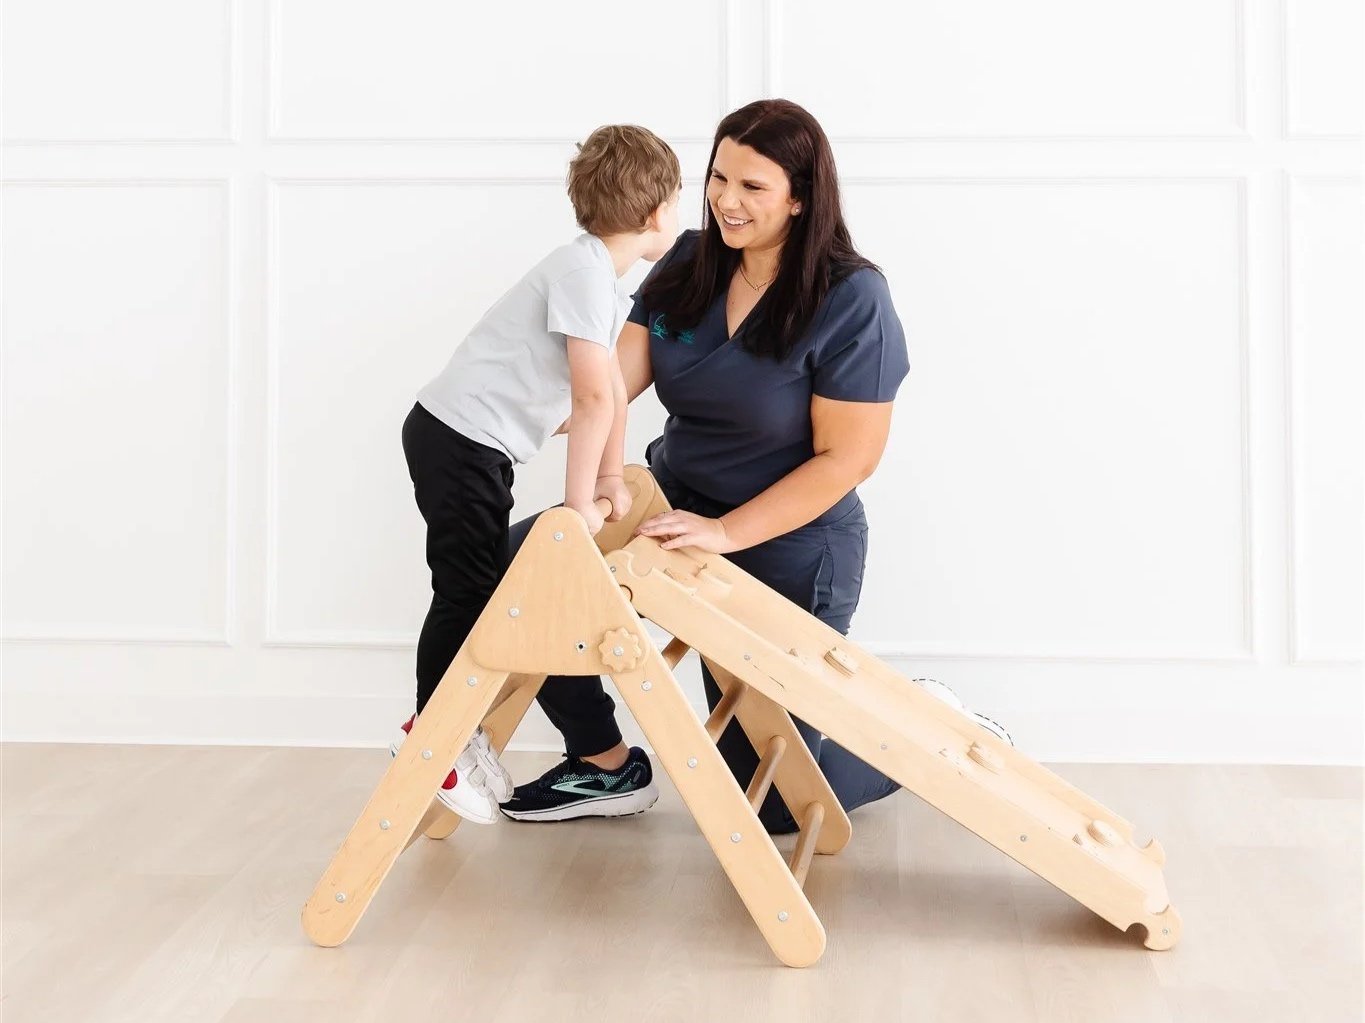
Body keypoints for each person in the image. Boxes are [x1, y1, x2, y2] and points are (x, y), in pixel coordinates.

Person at [500, 99, 1008, 829]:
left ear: (800, 197)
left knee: (773, 804)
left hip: (789, 543)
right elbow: (608, 385)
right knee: (517, 566)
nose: (725, 201)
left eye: (752, 187)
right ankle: (603, 763)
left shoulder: (852, 298)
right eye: (717, 178)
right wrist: (497, 415)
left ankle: (928, 729)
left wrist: (726, 533)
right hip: (672, 508)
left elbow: (847, 459)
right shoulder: (687, 262)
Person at [393, 125, 683, 824]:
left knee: (484, 583)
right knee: (467, 588)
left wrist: (610, 478)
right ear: (655, 213)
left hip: (473, 445)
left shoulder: (598, 278)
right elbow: (589, 398)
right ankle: (433, 738)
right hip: (457, 439)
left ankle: (449, 732)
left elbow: (611, 393)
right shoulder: (582, 275)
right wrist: (577, 504)